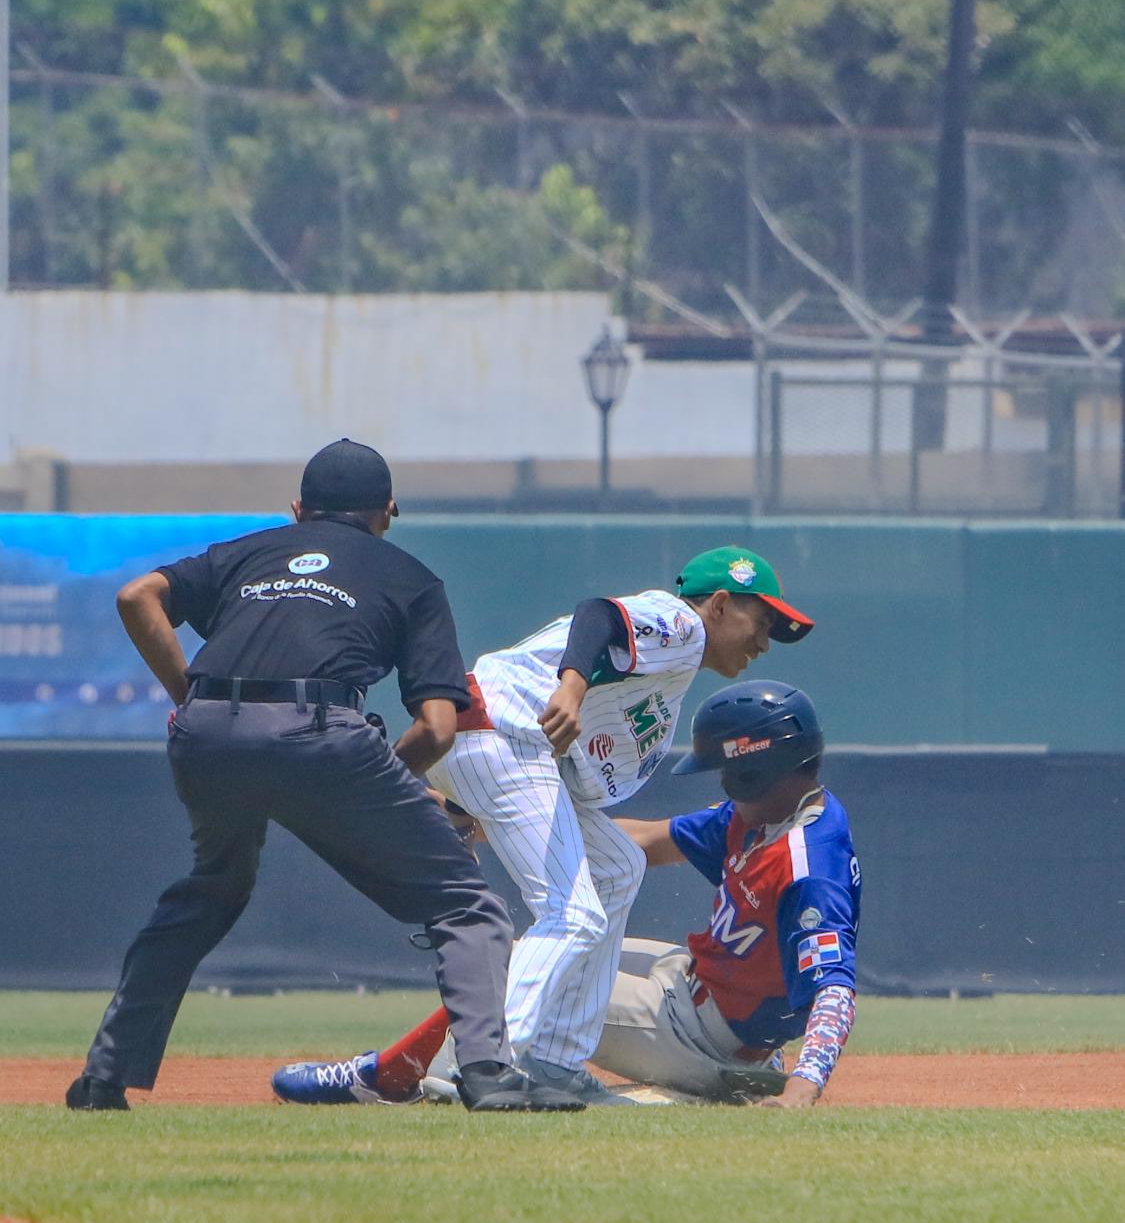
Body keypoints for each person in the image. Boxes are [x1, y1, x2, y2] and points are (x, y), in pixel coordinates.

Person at [66, 438, 577, 1115]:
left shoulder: (244, 552)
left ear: (298, 509)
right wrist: (378, 793)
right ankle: (484, 1073)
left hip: (208, 736)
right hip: (322, 737)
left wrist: (190, 699)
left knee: (210, 890)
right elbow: (437, 728)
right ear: (388, 511)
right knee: (465, 904)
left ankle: (104, 1077)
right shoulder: (410, 576)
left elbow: (137, 596)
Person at [272, 549, 814, 1109]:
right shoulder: (682, 626)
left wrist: (466, 806)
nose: (765, 641)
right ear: (721, 605)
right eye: (762, 620)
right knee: (571, 911)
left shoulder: (666, 669)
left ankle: (556, 1061)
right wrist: (572, 687)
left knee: (617, 867)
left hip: (504, 745)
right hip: (498, 734)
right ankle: (478, 1062)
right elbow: (599, 614)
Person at [593, 679, 861, 1107]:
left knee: (522, 971)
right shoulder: (768, 816)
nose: (722, 781)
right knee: (556, 951)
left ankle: (465, 1077)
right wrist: (512, 828)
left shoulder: (807, 866)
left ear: (755, 772)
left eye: (725, 769)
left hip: (699, 1036)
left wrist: (800, 1090)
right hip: (688, 981)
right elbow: (643, 839)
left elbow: (834, 991)